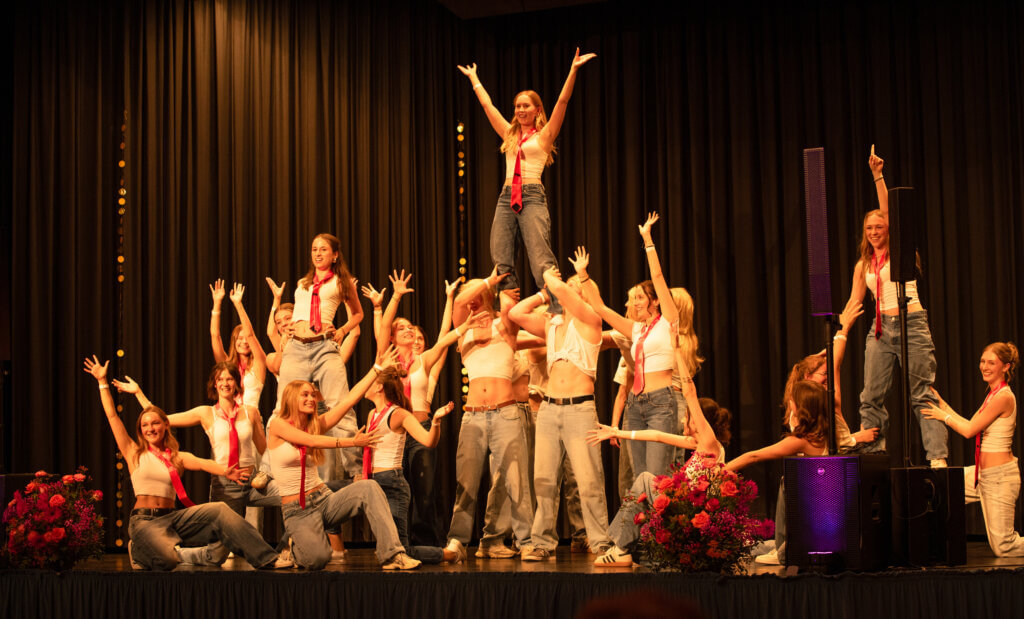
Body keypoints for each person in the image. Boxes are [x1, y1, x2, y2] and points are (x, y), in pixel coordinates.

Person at [83, 355, 280, 571]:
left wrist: (226, 472)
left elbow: (203, 463)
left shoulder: (176, 456)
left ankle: (267, 558)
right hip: (145, 521)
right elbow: (112, 416)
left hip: (173, 518)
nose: (151, 428)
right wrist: (102, 383)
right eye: (145, 425)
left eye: (155, 423)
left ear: (165, 426)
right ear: (140, 430)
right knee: (167, 561)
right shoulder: (133, 452)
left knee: (220, 510)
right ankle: (139, 549)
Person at [457, 48, 596, 313]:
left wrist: (573, 70)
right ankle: (508, 310)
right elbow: (488, 107)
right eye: (518, 106)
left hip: (532, 196)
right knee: (501, 256)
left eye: (526, 106)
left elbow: (562, 102)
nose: (521, 110)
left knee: (540, 258)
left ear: (537, 110)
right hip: (506, 197)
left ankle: (557, 311)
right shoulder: (509, 134)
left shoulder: (544, 136)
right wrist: (474, 79)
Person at [267, 352, 421, 570]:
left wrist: (376, 369)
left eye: (313, 395)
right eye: (305, 395)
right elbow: (311, 441)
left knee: (369, 487)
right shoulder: (278, 425)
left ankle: (392, 555)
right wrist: (352, 442)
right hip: (298, 510)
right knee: (318, 559)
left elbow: (349, 400)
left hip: (323, 499)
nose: (312, 399)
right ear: (291, 398)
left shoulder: (315, 425)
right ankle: (296, 548)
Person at [847, 145, 946, 466]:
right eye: (869, 229)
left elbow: (890, 213)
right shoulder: (863, 264)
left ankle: (937, 458)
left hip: (911, 323)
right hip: (879, 331)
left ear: (888, 229)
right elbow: (854, 301)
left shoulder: (900, 250)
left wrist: (878, 176)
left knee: (921, 393)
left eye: (879, 227)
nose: (874, 232)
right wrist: (838, 334)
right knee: (870, 396)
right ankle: (874, 454)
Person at [510, 265, 611, 560]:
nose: (568, 289)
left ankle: (601, 542)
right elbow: (515, 313)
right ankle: (542, 542)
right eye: (568, 285)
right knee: (544, 480)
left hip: (580, 409)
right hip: (549, 409)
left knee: (589, 480)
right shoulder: (551, 324)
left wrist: (550, 277)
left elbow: (565, 292)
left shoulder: (591, 321)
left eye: (575, 287)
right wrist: (543, 293)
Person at [587, 361, 729, 569]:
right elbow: (657, 435)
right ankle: (624, 548)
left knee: (645, 479)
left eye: (686, 416)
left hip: (693, 517)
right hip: (685, 513)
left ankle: (620, 549)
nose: (683, 420)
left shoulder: (709, 443)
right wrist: (617, 432)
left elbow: (690, 393)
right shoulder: (695, 444)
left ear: (698, 421)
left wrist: (678, 351)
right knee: (645, 485)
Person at [578, 213, 681, 477]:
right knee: (640, 477)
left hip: (661, 403)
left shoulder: (668, 321)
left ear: (655, 301)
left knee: (657, 476)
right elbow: (600, 308)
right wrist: (583, 275)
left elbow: (657, 276)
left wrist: (647, 240)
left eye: (640, 297)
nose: (635, 303)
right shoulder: (636, 329)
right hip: (636, 404)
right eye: (634, 298)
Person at [362, 273, 460, 546]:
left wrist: (452, 303)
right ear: (393, 337)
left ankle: (426, 545)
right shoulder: (387, 359)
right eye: (403, 329)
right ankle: (397, 540)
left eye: (414, 331)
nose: (412, 334)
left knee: (424, 491)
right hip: (393, 431)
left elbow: (443, 338)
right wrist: (385, 304)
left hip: (420, 428)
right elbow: (382, 329)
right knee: (395, 489)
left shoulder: (424, 361)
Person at [443, 269, 534, 562]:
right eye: (470, 295)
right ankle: (457, 540)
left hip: (505, 412)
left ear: (488, 297)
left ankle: (526, 540)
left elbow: (508, 308)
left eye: (477, 296)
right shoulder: (463, 328)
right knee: (466, 483)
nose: (471, 301)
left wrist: (497, 289)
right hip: (473, 416)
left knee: (516, 481)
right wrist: (486, 282)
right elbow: (459, 301)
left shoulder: (503, 326)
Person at [276, 233, 365, 481]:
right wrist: (287, 333)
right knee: (282, 407)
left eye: (323, 249)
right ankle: (269, 469)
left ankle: (356, 470)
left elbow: (358, 314)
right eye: (314, 249)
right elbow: (299, 312)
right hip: (296, 346)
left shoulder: (341, 283)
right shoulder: (302, 283)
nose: (317, 253)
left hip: (324, 347)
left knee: (342, 407)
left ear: (335, 255)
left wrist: (342, 330)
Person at [924, 342, 1024, 556]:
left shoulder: (1004, 397)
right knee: (943, 486)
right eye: (982, 361)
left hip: (999, 478)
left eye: (991, 363)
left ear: (1006, 367)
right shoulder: (993, 394)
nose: (984, 367)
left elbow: (969, 431)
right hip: (981, 475)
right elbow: (971, 423)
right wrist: (942, 404)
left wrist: (944, 416)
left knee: (1004, 547)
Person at [362, 365, 462, 563]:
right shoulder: (372, 413)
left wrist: (435, 422)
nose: (365, 384)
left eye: (371, 380)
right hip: (374, 483)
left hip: (392, 484)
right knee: (388, 551)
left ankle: (451, 554)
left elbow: (428, 441)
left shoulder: (400, 414)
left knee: (401, 550)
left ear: (379, 387)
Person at [209, 279, 266, 409]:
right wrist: (217, 303)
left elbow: (250, 335)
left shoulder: (259, 362)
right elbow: (215, 335)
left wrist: (238, 304)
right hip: (225, 415)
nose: (244, 341)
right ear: (234, 342)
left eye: (246, 339)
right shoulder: (227, 364)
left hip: (249, 417)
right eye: (240, 338)